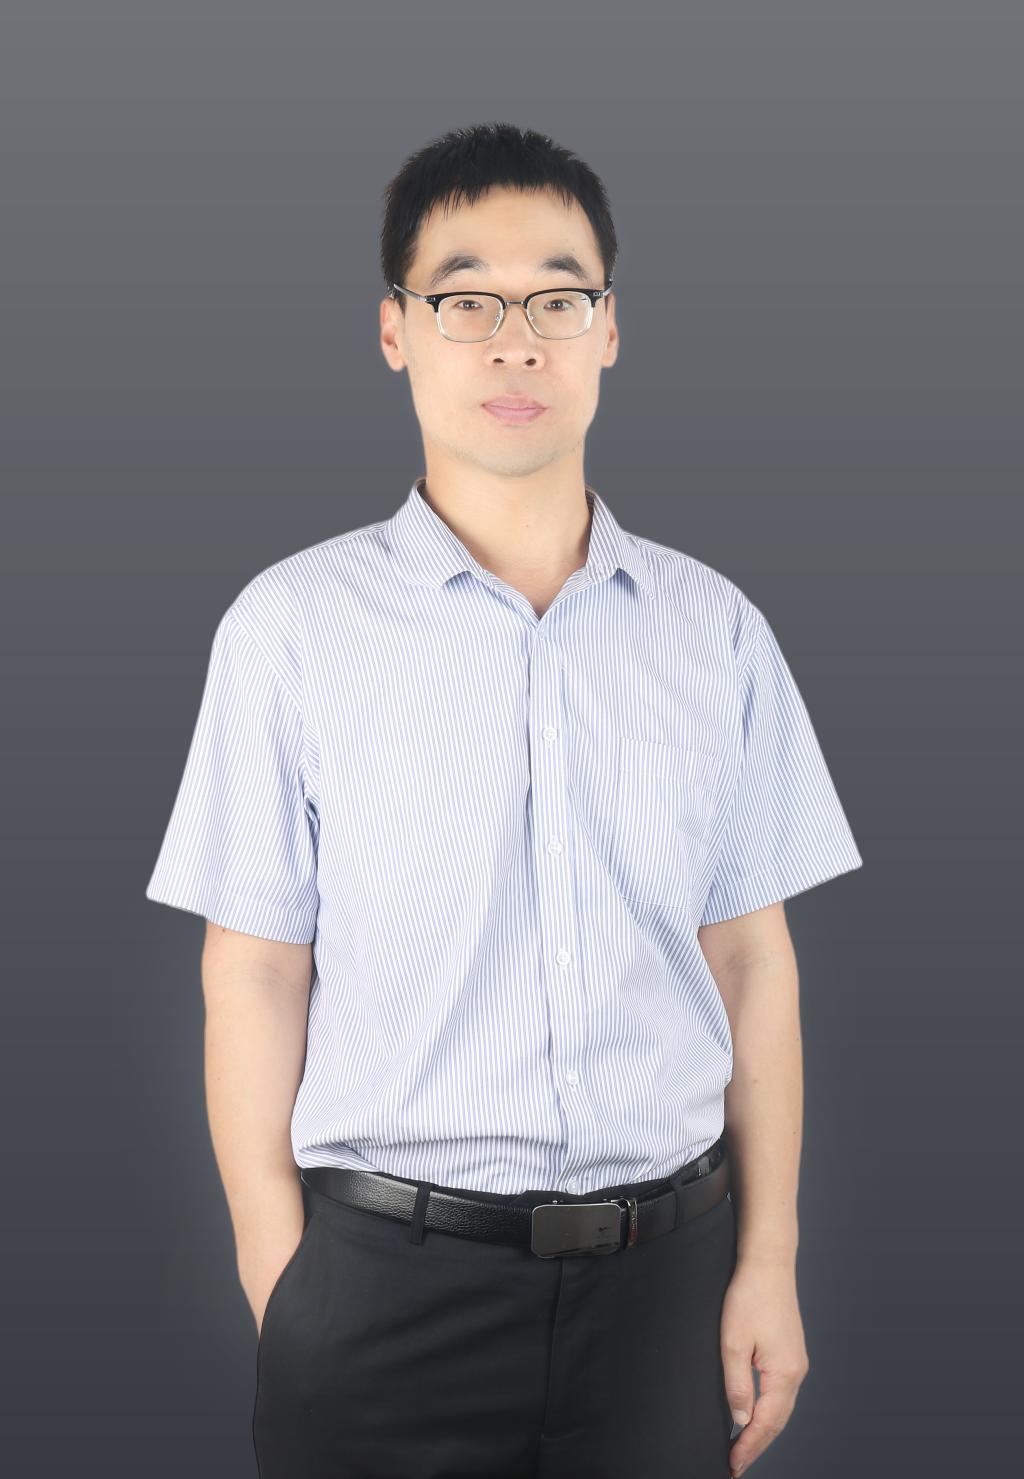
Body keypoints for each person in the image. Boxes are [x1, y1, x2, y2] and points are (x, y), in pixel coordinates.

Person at [145, 121, 863, 1479]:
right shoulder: (289, 629)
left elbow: (751, 960)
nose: (514, 344)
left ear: (610, 331)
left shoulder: (715, 631)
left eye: (556, 300)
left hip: (669, 1293)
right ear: (395, 332)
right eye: (465, 299)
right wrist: (281, 1282)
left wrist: (767, 1260)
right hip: (381, 1293)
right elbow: (253, 970)